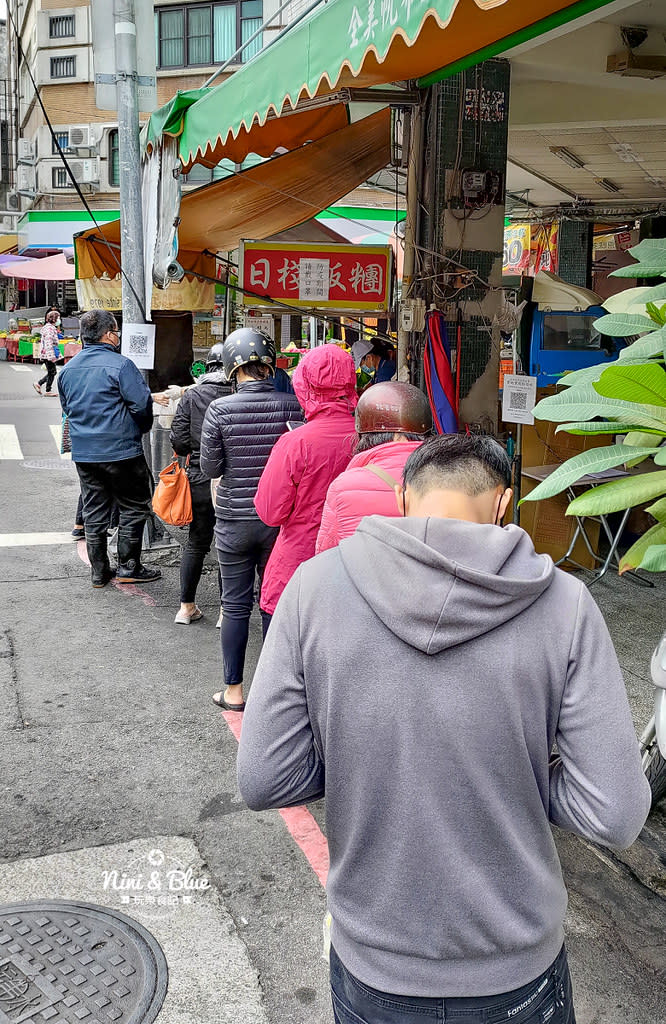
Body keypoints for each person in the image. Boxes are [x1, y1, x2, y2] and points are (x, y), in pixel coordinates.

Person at [237, 432, 651, 1024]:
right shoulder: (566, 604)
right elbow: (614, 813)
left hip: (374, 960)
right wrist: (528, 770)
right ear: (504, 504)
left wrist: (357, 753)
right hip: (515, 967)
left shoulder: (313, 589)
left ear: (402, 498)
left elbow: (263, 779)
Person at [199, 327, 303, 711]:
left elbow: (211, 466)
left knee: (235, 604)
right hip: (278, 521)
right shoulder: (292, 406)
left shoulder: (219, 410)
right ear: (269, 363)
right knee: (272, 601)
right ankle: (273, 691)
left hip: (232, 520)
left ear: (231, 367)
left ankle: (234, 690)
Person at [254, 344, 357, 623]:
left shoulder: (295, 442)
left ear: (304, 384)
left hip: (297, 569)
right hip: (356, 573)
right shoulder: (369, 439)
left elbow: (270, 512)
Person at [58, 310, 161, 588]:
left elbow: (68, 409)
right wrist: (137, 430)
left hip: (85, 453)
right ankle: (129, 565)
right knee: (133, 506)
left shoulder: (67, 371)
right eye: (116, 331)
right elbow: (141, 405)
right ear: (107, 335)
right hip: (122, 451)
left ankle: (99, 572)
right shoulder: (121, 366)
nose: (117, 336)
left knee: (94, 510)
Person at [316, 381, 433, 552]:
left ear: (363, 434)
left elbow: (324, 554)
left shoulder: (343, 486)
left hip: (362, 577)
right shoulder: (451, 479)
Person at [169, 343, 232, 626]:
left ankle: (186, 608)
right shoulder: (238, 393)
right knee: (227, 546)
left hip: (198, 478)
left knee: (196, 543)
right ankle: (224, 612)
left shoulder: (192, 396)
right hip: (232, 480)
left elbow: (179, 441)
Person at [33, 310, 61, 396]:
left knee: (51, 372)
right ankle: (47, 390)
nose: (59, 320)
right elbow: (48, 342)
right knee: (52, 372)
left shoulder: (49, 327)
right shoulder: (49, 329)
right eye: (58, 318)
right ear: (54, 319)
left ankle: (39, 384)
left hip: (47, 353)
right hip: (48, 354)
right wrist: (51, 356)